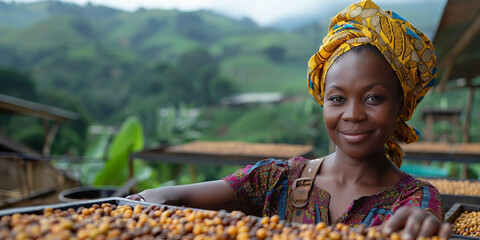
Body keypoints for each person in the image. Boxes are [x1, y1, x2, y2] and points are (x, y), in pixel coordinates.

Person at [127, 0, 452, 238]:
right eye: (337, 99)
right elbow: (176, 198)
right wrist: (148, 198)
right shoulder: (275, 180)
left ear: (401, 106)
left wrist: (420, 224)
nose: (352, 114)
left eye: (373, 98)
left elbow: (420, 220)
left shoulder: (415, 199)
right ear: (322, 102)